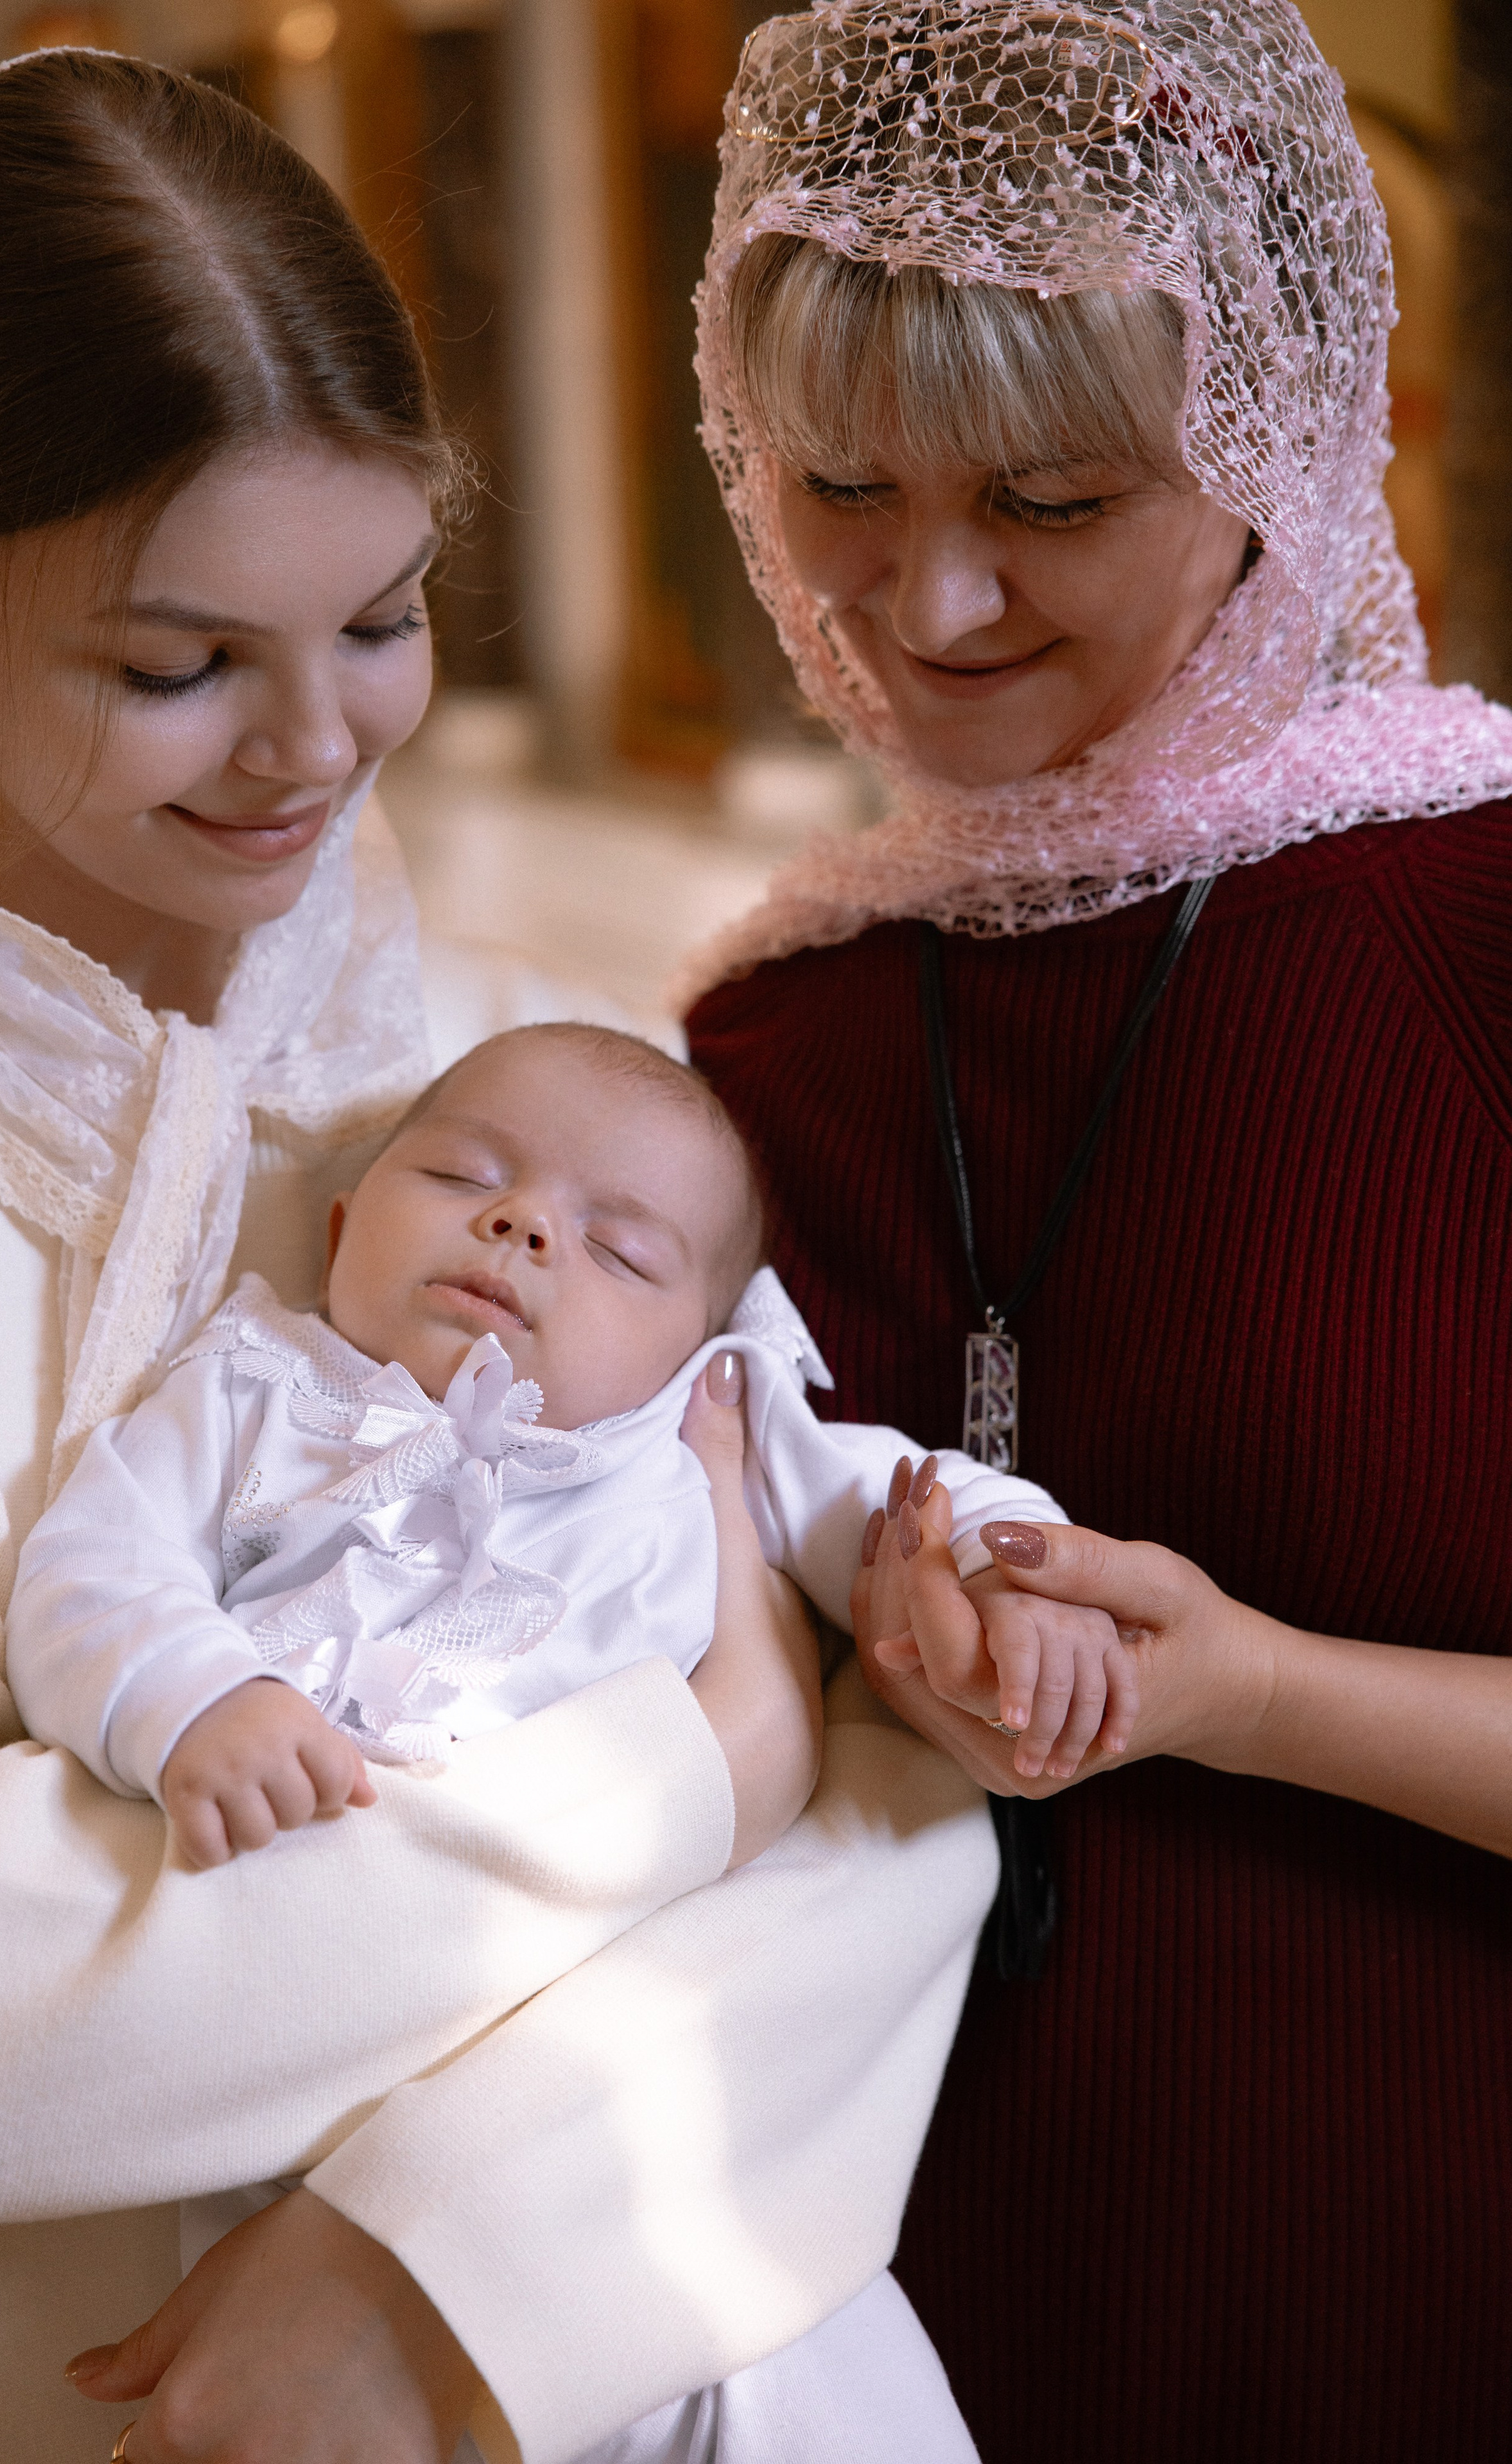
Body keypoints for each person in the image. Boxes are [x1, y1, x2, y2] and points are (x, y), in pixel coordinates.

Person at [0, 49, 1005, 2464]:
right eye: (177, 663)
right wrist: (696, 1760)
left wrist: (454, 2261)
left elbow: (898, 1823)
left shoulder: (523, 1085)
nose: (313, 750)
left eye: (379, 619)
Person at [680, 6, 1512, 2460]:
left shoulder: (1471, 939)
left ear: (1270, 440)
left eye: (1049, 497)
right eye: (841, 481)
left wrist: (1246, 1687)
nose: (928, 601)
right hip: (902, 2352)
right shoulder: (761, 1046)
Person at [12, 1019, 1091, 2463]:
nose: (520, 1224)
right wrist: (192, 1697)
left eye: (622, 1250)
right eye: (463, 1174)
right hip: (325, 2069)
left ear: (700, 1343)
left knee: (816, 2359)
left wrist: (1010, 1581)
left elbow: (906, 1500)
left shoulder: (716, 1434)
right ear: (342, 1226)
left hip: (621, 2097)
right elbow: (91, 1570)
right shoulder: (258, 1383)